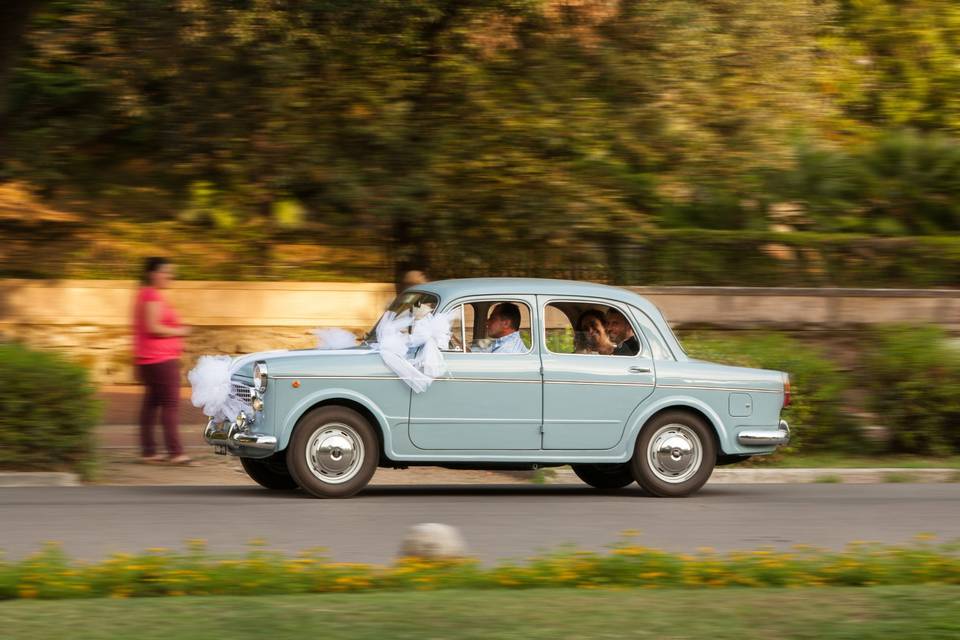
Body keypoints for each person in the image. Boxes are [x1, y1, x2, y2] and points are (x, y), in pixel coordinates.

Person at [133, 257, 191, 464]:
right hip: (159, 359)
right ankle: (176, 452)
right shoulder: (150, 295)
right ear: (152, 273)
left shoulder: (147, 294)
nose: (170, 276)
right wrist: (181, 331)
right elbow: (153, 327)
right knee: (170, 405)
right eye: (165, 272)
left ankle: (149, 451)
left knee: (152, 404)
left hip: (151, 359)